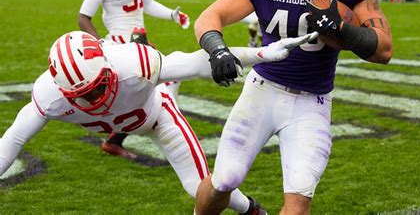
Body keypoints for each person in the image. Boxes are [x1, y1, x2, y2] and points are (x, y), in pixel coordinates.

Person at [193, 0, 393, 214]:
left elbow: (384, 50)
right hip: (263, 88)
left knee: (299, 198)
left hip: (312, 101)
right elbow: (211, 15)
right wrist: (217, 49)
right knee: (224, 178)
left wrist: (341, 28)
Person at [0, 30, 316, 214]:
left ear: (108, 66)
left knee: (198, 187)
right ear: (62, 89)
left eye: (99, 84)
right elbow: (12, 140)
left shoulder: (134, 63)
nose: (96, 95)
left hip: (158, 117)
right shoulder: (48, 97)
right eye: (85, 93)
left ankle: (251, 210)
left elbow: (194, 63)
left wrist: (260, 53)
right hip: (129, 120)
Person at [78, 0, 190, 159]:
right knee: (161, 83)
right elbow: (83, 18)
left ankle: (117, 139)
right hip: (119, 43)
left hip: (139, 40)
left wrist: (171, 14)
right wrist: (99, 45)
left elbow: (147, 3)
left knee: (155, 86)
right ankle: (164, 128)